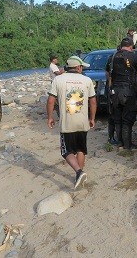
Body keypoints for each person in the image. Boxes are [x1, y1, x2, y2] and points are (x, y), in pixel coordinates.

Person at [47, 55, 97, 189]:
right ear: (79, 67)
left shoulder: (58, 79)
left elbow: (51, 100)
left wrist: (50, 117)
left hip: (67, 123)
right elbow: (93, 101)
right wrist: (92, 118)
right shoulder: (87, 80)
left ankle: (79, 172)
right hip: (82, 122)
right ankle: (80, 176)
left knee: (66, 151)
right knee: (81, 149)